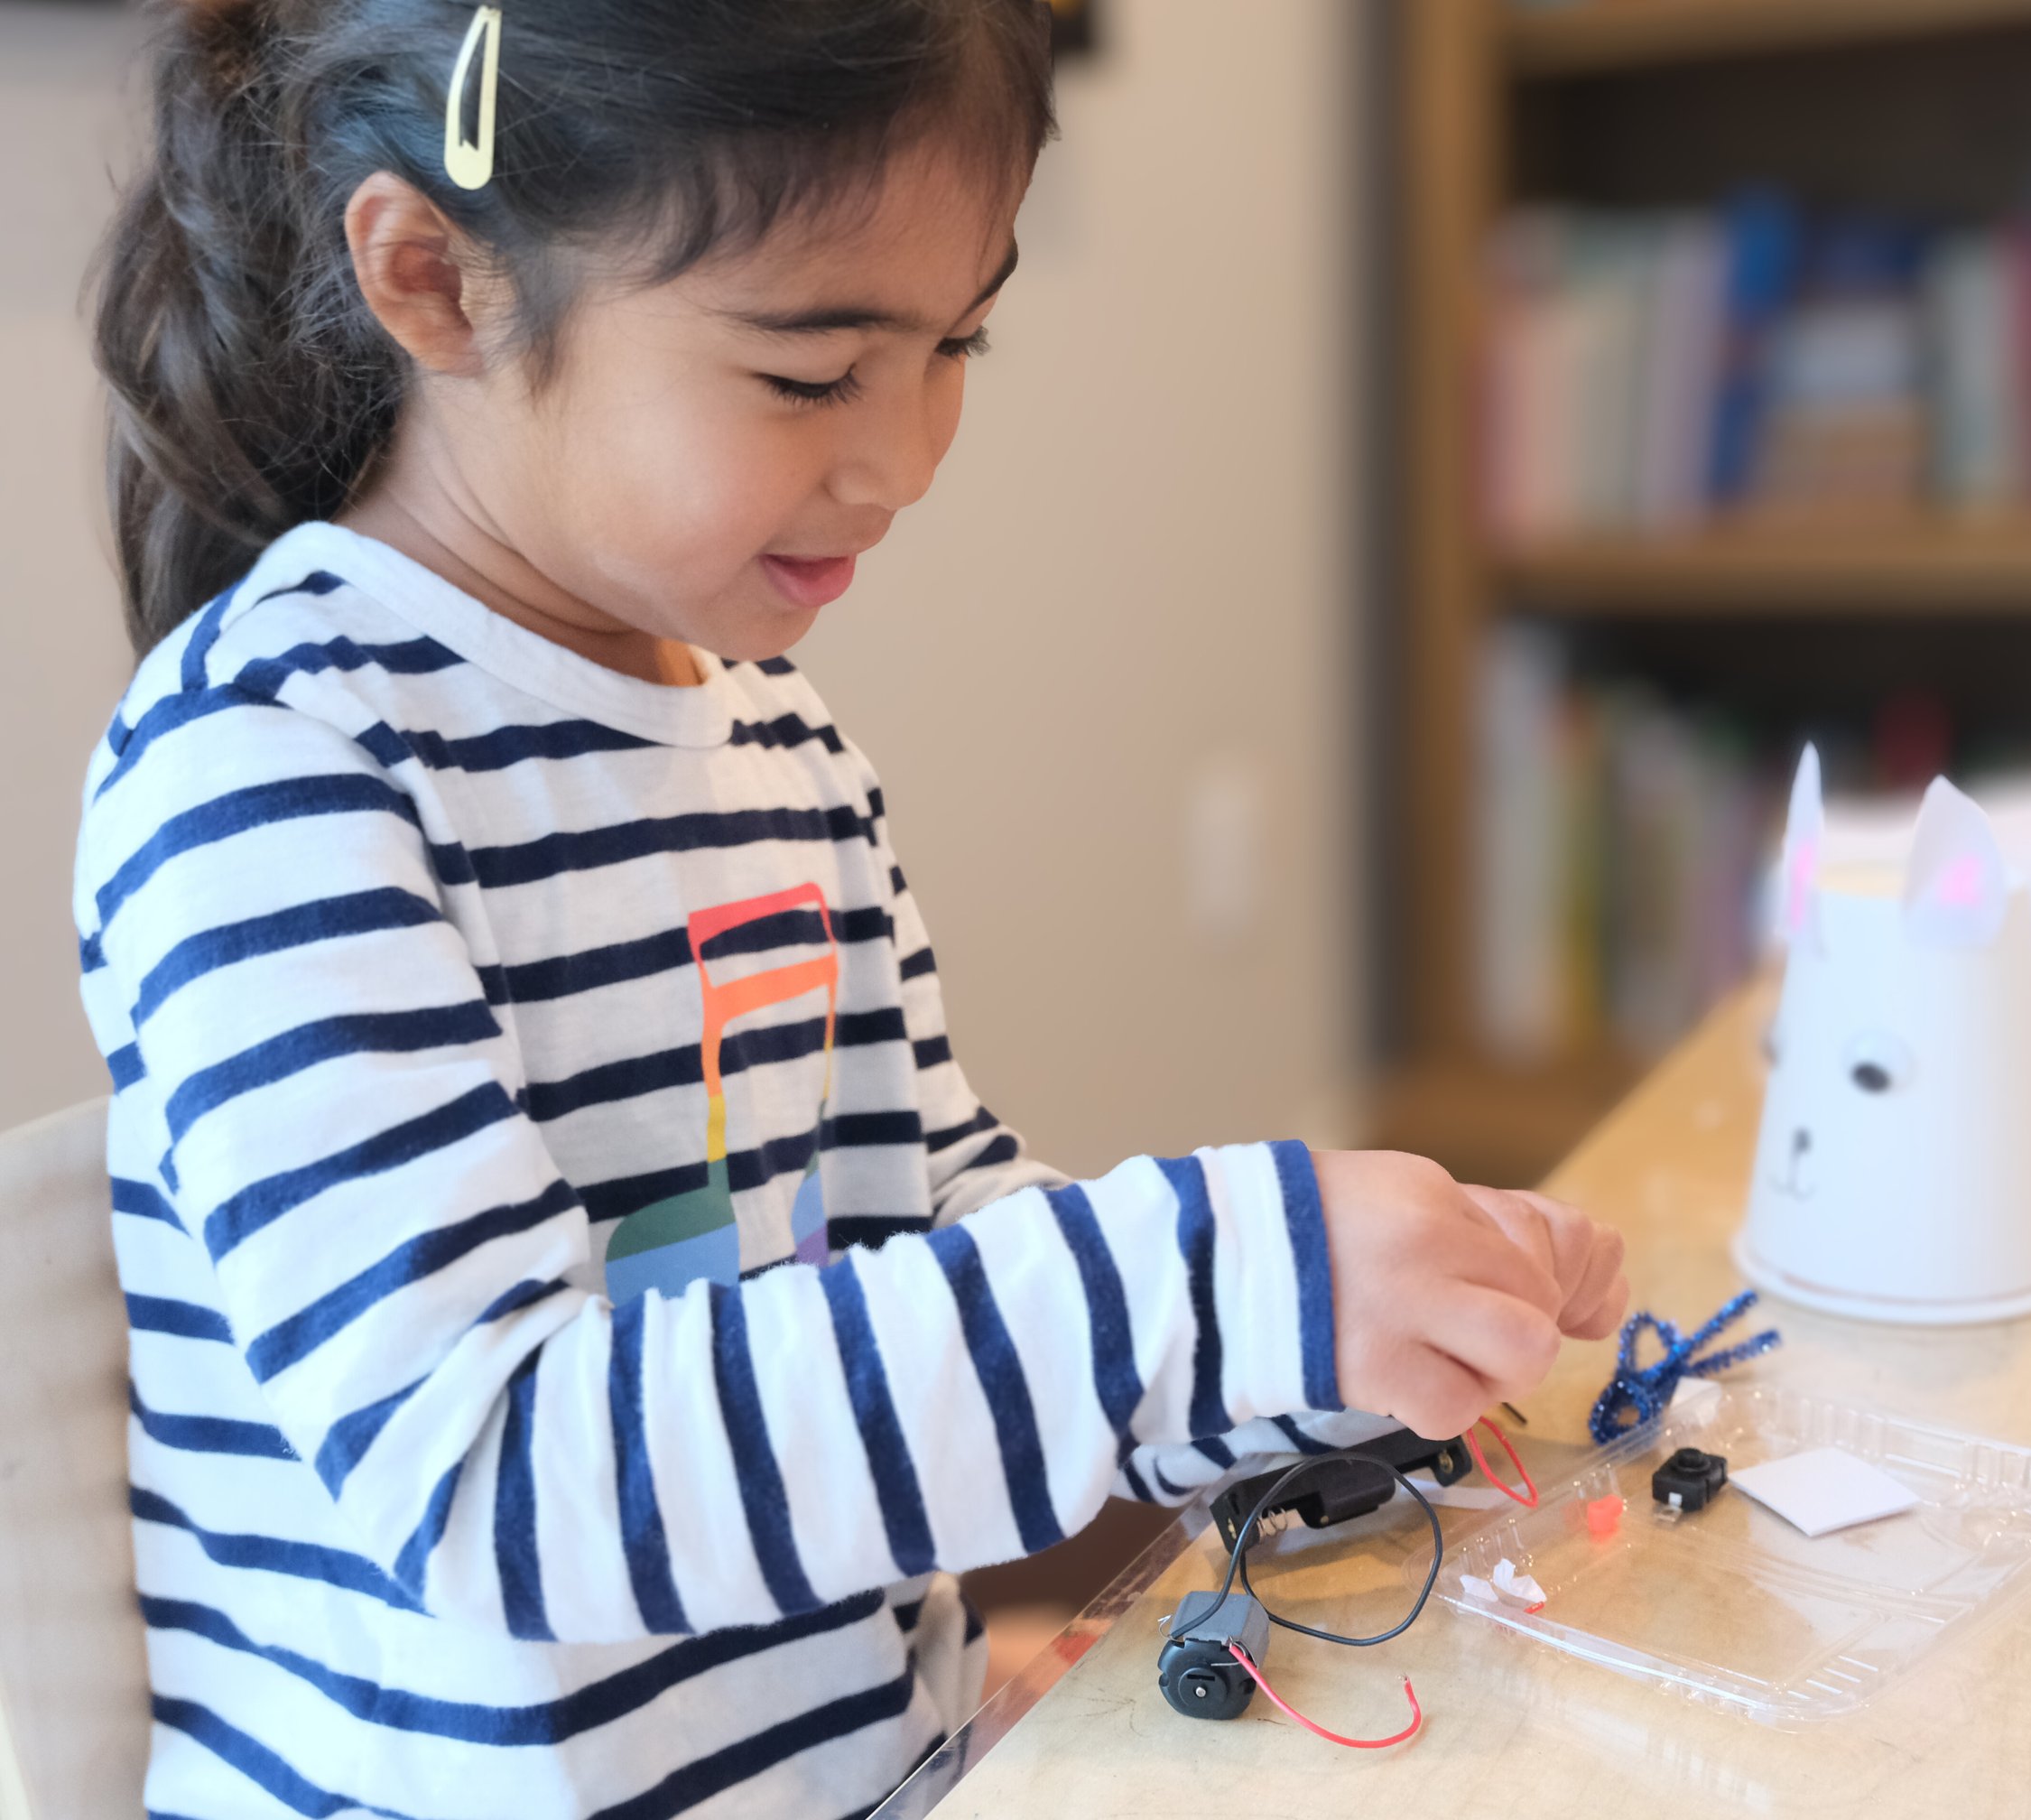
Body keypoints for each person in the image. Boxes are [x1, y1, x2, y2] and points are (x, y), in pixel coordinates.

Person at [75, 4, 1629, 1815]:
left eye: (955, 341)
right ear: (437, 279)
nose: (902, 460)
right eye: (811, 373)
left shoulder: (775, 742)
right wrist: (1202, 1285)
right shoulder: (271, 767)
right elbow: (495, 1486)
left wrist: (1323, 1350)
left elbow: (922, 1238)